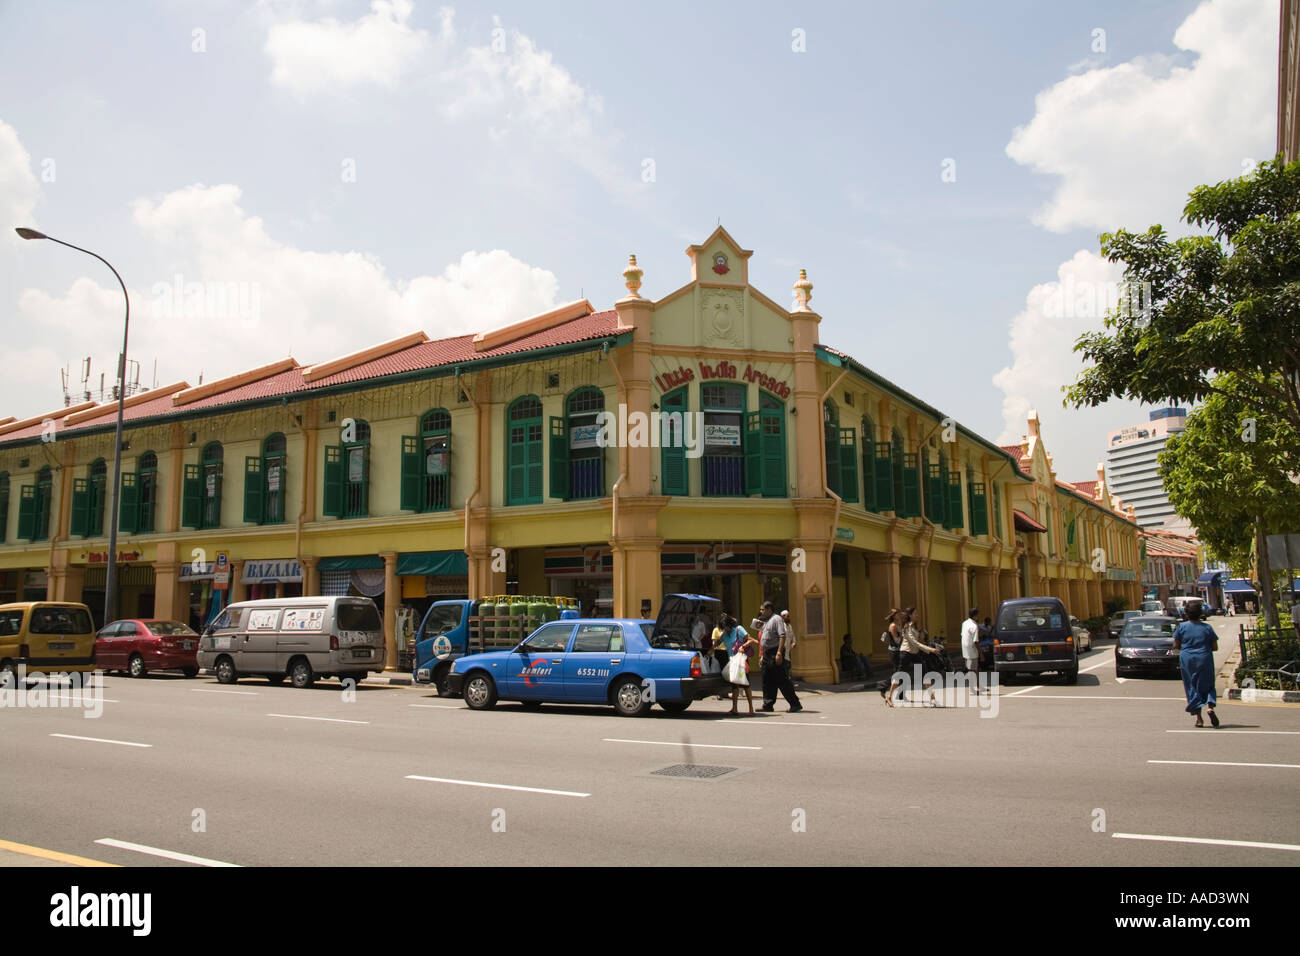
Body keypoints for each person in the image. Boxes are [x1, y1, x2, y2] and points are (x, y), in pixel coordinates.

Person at [1172, 602, 1219, 728]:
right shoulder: (1207, 628)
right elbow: (1215, 647)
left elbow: (1176, 645)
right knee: (1208, 684)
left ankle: (1199, 719)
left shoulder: (1182, 627)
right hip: (1204, 657)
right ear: (1200, 613)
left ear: (1186, 613)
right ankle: (1210, 706)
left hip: (1187, 659)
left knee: (1192, 686)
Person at [882, 607, 940, 707]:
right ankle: (889, 697)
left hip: (915, 653)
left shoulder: (914, 627)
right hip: (906, 653)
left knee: (925, 674)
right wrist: (930, 650)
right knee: (899, 675)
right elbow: (914, 643)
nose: (917, 615)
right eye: (915, 614)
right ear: (910, 615)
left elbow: (918, 642)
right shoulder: (907, 627)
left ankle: (933, 699)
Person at [757, 601, 801, 713]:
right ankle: (768, 704)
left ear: (769, 609)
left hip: (774, 652)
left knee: (781, 679)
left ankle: (795, 704)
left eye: (763, 609)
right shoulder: (767, 621)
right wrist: (762, 655)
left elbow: (782, 636)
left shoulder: (776, 619)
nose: (762, 612)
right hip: (767, 653)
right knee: (767, 679)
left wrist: (779, 653)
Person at [726, 617, 759, 715]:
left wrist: (743, 646)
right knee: (734, 686)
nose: (724, 628)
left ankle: (751, 709)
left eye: (725, 626)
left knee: (745, 684)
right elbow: (718, 642)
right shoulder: (724, 634)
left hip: (741, 662)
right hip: (732, 662)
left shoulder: (738, 629)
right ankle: (734, 708)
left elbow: (750, 640)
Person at [960, 608, 980, 690]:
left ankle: (977, 685)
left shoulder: (964, 623)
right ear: (975, 616)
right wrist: (981, 653)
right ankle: (974, 687)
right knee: (972, 669)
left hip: (965, 649)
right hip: (972, 650)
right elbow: (976, 641)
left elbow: (962, 635)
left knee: (973, 668)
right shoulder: (974, 626)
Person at [780, 609, 796, 677]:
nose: (788, 617)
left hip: (788, 650)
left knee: (787, 665)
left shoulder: (789, 626)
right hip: (782, 649)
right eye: (787, 616)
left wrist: (794, 642)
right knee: (784, 666)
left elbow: (792, 635)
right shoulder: (781, 626)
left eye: (788, 616)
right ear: (783, 617)